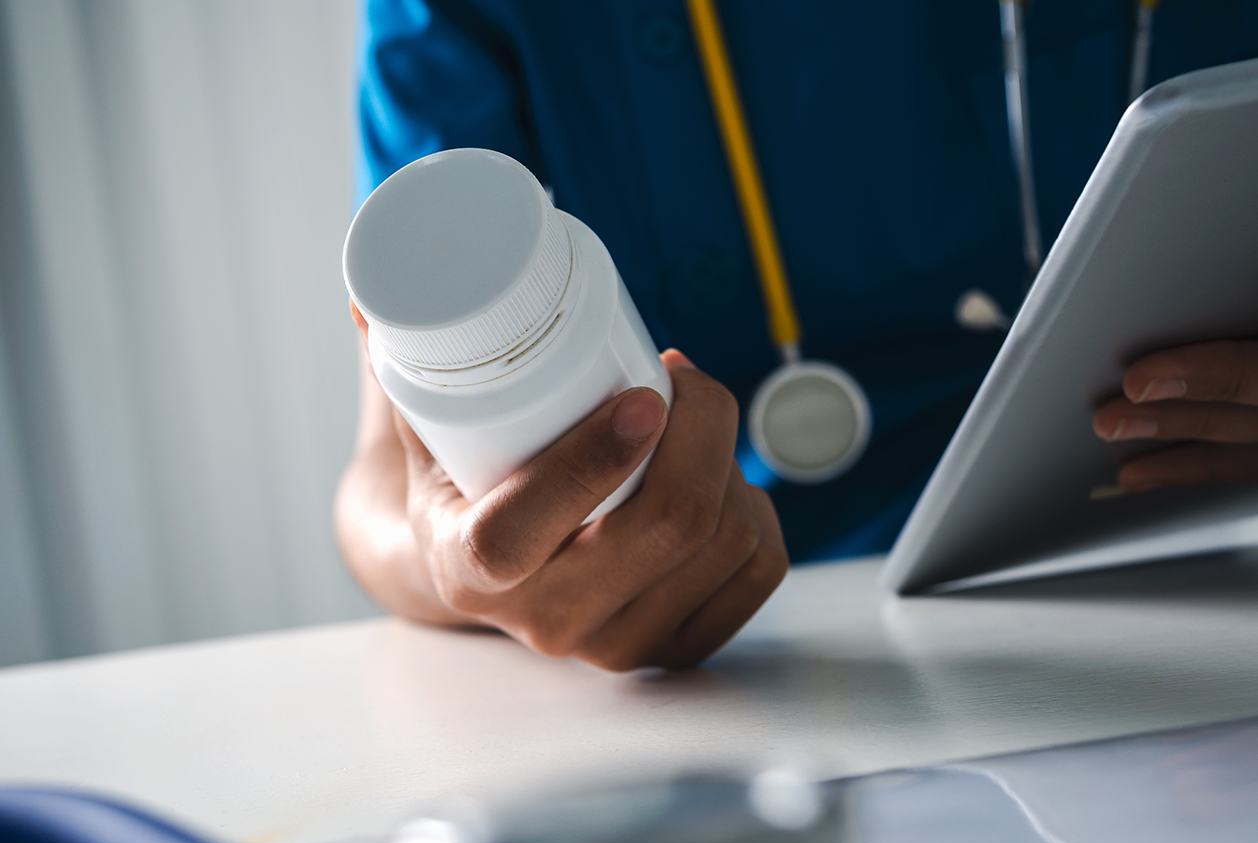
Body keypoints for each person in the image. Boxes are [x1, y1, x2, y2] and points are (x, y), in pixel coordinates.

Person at [335, 0, 1258, 670]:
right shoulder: (450, 19)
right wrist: (466, 561)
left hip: (1203, 571)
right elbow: (390, 476)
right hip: (776, 634)